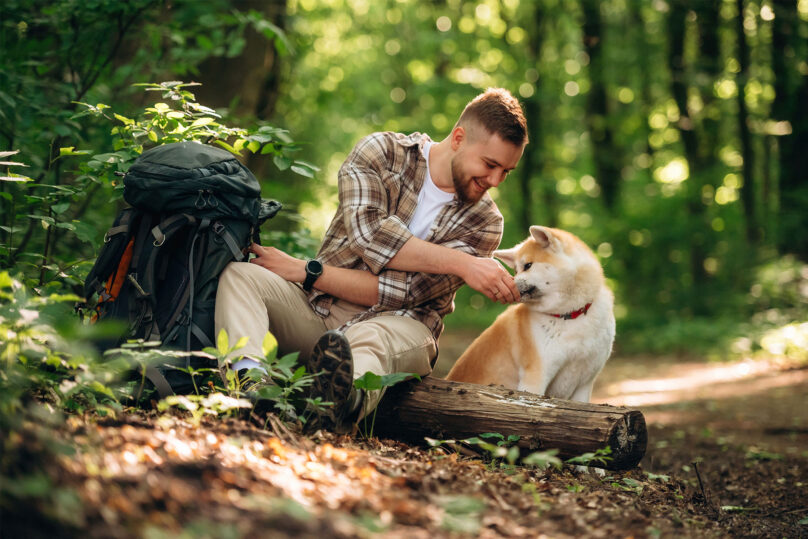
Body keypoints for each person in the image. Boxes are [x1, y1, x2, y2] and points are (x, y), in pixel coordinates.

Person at [214, 87, 528, 432]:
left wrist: (307, 271)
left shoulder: (485, 222)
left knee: (368, 342)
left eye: (507, 172)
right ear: (458, 138)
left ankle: (336, 409)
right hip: (319, 308)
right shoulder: (380, 153)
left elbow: (402, 294)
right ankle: (249, 392)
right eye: (490, 164)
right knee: (240, 275)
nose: (495, 180)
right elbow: (370, 237)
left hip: (402, 327)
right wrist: (462, 263)